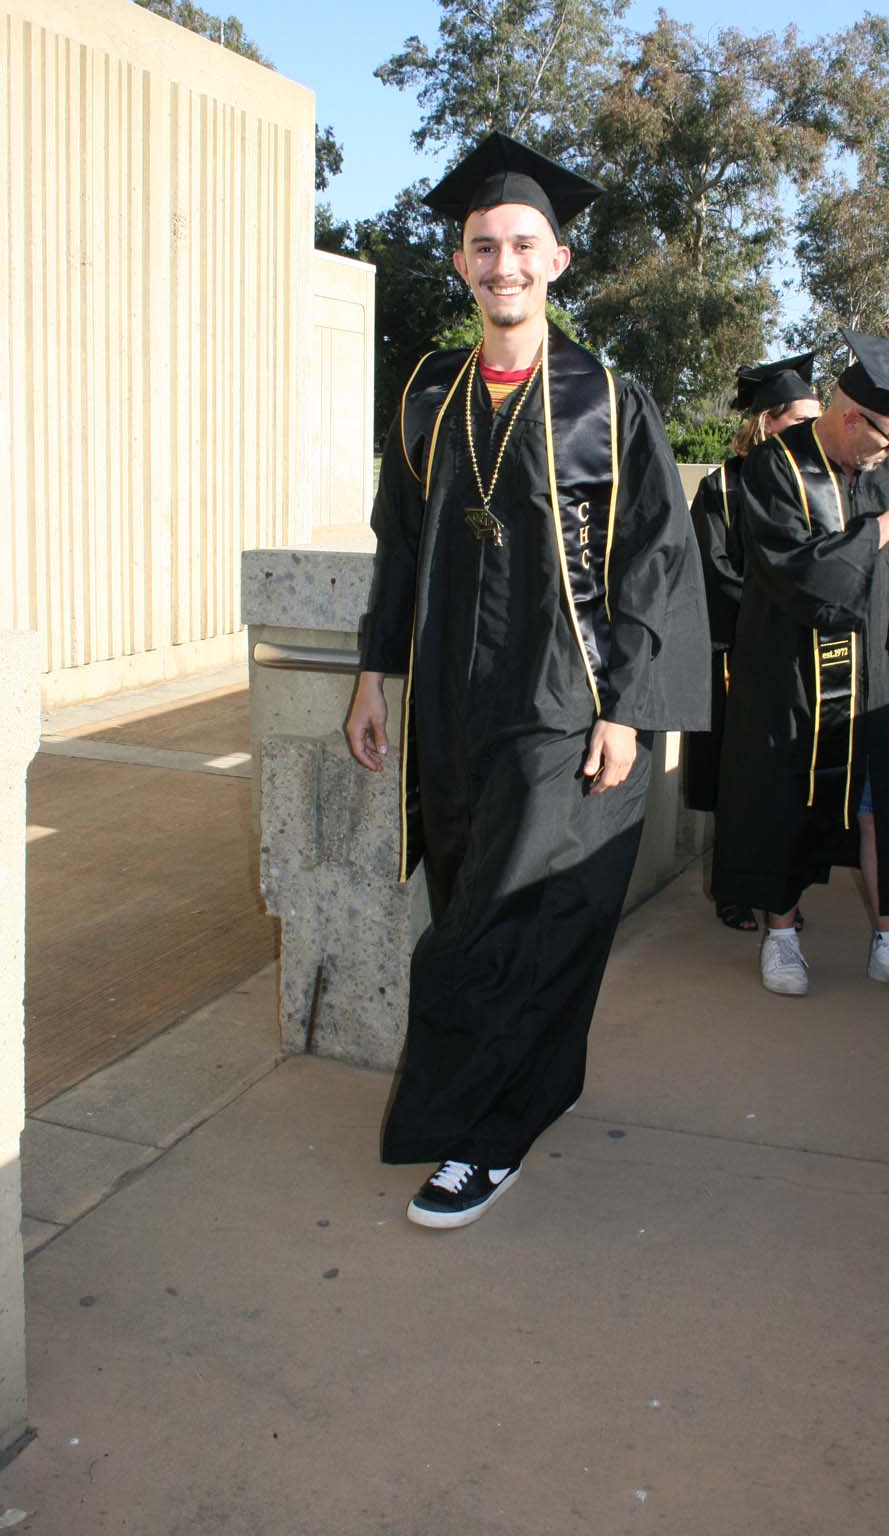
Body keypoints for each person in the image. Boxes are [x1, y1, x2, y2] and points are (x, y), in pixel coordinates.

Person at [346, 132, 710, 1230]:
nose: (502, 263)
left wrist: (632, 714)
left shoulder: (607, 398)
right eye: (481, 245)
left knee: (515, 923)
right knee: (464, 902)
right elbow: (399, 543)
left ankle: (483, 1141)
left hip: (563, 704)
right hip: (452, 710)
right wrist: (375, 675)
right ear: (461, 264)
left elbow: (657, 558)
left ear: (557, 262)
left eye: (522, 245)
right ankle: (501, 1101)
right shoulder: (425, 394)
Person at [712, 332, 889, 1004]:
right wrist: (885, 527)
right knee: (785, 804)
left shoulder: (887, 469)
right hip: (792, 673)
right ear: (853, 417)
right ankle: (782, 933)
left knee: (885, 804)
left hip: (880, 672)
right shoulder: (773, 469)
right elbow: (793, 572)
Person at [684, 354, 819, 945]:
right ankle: (735, 888)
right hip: (736, 649)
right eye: (800, 421)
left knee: (787, 774)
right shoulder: (724, 486)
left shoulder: (814, 484)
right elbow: (711, 571)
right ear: (766, 423)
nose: (811, 432)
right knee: (737, 775)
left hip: (796, 653)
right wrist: (773, 611)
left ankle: (781, 891)